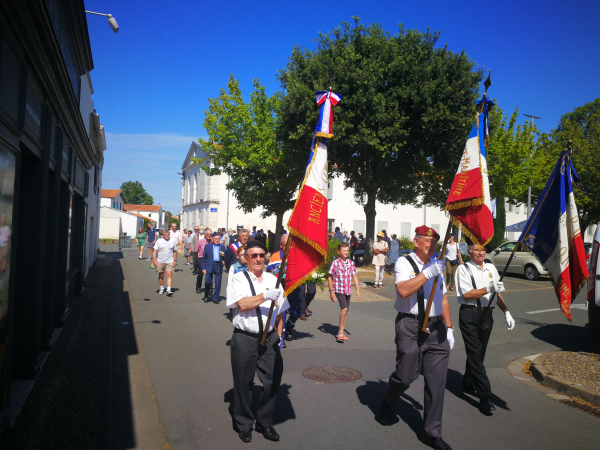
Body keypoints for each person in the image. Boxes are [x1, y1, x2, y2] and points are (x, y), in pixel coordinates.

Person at [378, 225, 454, 450]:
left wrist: (449, 328)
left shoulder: (437, 264)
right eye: (427, 240)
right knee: (405, 376)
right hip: (410, 326)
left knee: (437, 382)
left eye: (434, 240)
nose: (432, 244)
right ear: (416, 241)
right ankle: (387, 401)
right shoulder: (404, 262)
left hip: (436, 328)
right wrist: (427, 273)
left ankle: (432, 433)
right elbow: (403, 290)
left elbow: (443, 299)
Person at [226, 241, 289, 443]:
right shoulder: (238, 278)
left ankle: (264, 421)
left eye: (262, 255)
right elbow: (242, 304)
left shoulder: (273, 278)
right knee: (244, 383)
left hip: (269, 338)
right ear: (246, 258)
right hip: (245, 337)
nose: (259, 259)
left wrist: (279, 336)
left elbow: (280, 311)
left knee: (272, 380)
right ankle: (244, 423)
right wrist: (264, 296)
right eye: (254, 255)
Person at [455, 241, 515, 414]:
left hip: (487, 314)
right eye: (476, 250)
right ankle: (485, 397)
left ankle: (467, 383)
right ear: (469, 252)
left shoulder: (490, 268)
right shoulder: (463, 269)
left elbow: (497, 293)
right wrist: (488, 287)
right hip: (470, 314)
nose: (480, 253)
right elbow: (466, 295)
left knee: (478, 354)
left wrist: (506, 311)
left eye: (483, 249)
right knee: (475, 354)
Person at [328, 242, 360, 342]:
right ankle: (340, 332)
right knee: (344, 308)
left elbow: (354, 276)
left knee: (346, 311)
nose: (346, 252)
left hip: (348, 290)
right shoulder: (335, 263)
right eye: (344, 251)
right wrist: (331, 290)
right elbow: (330, 277)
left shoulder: (351, 263)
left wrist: (358, 290)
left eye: (347, 250)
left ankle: (341, 330)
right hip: (339, 290)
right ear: (339, 252)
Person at [202, 232, 226, 304]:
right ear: (212, 239)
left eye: (218, 239)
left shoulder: (222, 247)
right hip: (209, 265)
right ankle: (206, 295)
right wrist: (203, 268)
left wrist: (223, 261)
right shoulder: (208, 246)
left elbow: (223, 257)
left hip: (218, 266)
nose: (217, 240)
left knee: (218, 283)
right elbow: (204, 259)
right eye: (215, 239)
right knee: (208, 281)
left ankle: (215, 297)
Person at [153, 230, 177, 296]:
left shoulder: (172, 241)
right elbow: (155, 251)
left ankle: (169, 290)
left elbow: (175, 251)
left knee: (169, 275)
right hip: (160, 261)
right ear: (163, 235)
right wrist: (154, 260)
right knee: (161, 275)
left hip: (170, 261)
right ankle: (161, 288)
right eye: (166, 234)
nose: (167, 235)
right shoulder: (159, 241)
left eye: (168, 234)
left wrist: (175, 260)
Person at [196, 228, 211, 295]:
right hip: (201, 259)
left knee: (209, 274)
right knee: (200, 274)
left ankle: (209, 289)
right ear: (205, 234)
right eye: (207, 234)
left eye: (210, 234)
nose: (209, 235)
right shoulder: (200, 241)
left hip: (209, 259)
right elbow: (196, 250)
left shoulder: (212, 242)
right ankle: (198, 287)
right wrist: (198, 259)